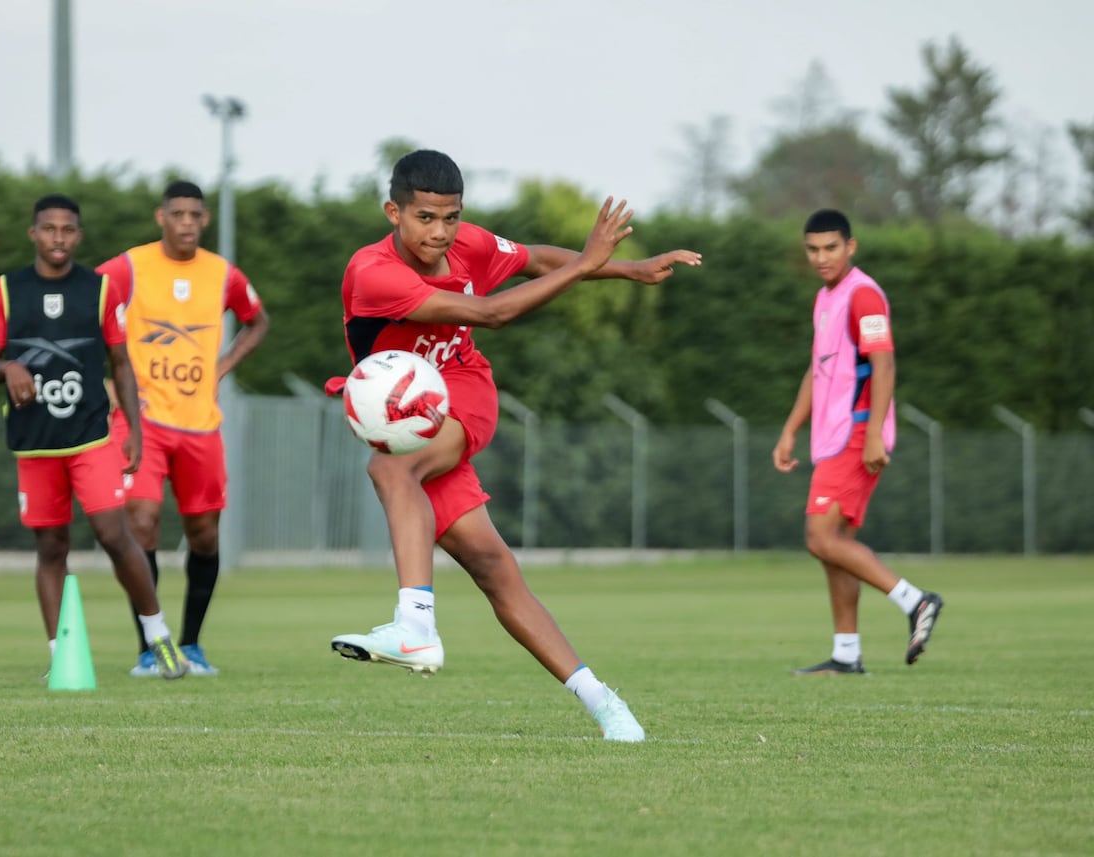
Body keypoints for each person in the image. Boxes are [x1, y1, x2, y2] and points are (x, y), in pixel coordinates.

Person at [326, 150, 701, 742]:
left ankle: (415, 625)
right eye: (425, 218)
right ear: (392, 212)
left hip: (463, 395)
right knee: (494, 568)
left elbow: (534, 260)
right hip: (416, 416)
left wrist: (624, 268)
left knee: (390, 470)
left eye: (451, 217)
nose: (441, 233)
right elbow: (491, 311)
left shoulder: (466, 243)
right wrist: (586, 268)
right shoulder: (374, 272)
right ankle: (606, 705)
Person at [0, 194, 187, 680]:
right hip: (34, 443)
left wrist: (133, 428)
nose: (58, 238)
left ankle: (159, 639)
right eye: (48, 229)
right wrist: (7, 367)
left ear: (79, 236)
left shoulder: (99, 290)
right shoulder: (6, 290)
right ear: (34, 234)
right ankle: (60, 657)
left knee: (114, 534)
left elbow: (121, 362)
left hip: (91, 435)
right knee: (51, 548)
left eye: (67, 230)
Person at [96, 180, 269, 677]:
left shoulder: (222, 274)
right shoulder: (129, 266)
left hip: (200, 426)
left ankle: (192, 645)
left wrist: (222, 366)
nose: (187, 223)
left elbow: (257, 321)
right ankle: (150, 648)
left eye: (196, 215)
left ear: (205, 219)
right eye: (178, 214)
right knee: (141, 522)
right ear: (161, 217)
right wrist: (108, 381)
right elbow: (89, 309)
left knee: (204, 536)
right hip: (142, 421)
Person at [773, 208, 944, 675]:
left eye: (831, 247)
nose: (821, 257)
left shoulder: (863, 295)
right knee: (835, 545)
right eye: (812, 249)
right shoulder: (825, 299)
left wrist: (872, 436)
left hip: (856, 435)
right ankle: (846, 654)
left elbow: (884, 364)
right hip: (830, 439)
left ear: (852, 246)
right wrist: (791, 429)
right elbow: (818, 367)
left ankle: (916, 600)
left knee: (819, 537)